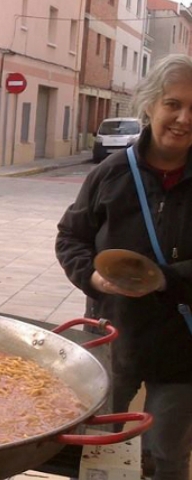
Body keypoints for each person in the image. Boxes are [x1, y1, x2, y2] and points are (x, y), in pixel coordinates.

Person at [55, 53, 192, 480]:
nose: (184, 118)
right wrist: (92, 278)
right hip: (114, 338)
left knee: (168, 453)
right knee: (104, 451)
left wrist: (164, 280)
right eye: (173, 104)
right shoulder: (112, 173)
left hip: (182, 345)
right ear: (150, 105)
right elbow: (70, 237)